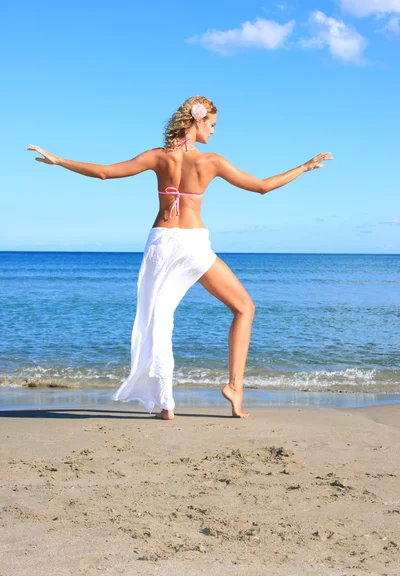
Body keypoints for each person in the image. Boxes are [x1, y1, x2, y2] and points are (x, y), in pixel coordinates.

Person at [27, 95, 333, 420]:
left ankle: (166, 404)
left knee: (159, 322)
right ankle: (234, 387)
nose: (214, 132)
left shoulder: (159, 157)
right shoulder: (210, 161)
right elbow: (261, 187)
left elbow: (104, 172)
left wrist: (59, 160)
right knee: (244, 308)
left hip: (160, 242)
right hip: (192, 245)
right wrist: (304, 167)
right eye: (212, 125)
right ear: (197, 121)